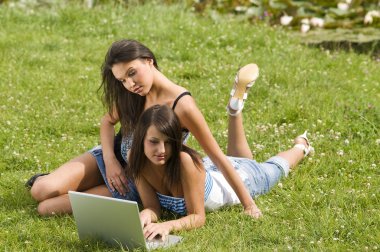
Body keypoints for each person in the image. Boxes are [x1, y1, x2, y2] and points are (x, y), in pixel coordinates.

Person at [27, 39, 262, 218]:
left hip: (134, 180)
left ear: (148, 60)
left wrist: (249, 205)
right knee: (41, 189)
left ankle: (235, 113)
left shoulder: (182, 105)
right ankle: (63, 179)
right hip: (110, 157)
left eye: (132, 74)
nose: (129, 85)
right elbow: (107, 122)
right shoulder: (132, 94)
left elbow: (218, 157)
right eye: (122, 80)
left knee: (47, 208)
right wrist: (109, 161)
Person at [128, 100, 314, 240]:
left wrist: (168, 226)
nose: (161, 150)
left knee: (274, 168)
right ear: (141, 138)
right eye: (154, 142)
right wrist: (146, 214)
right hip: (210, 169)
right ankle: (235, 111)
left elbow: (198, 217)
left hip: (244, 179)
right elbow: (153, 207)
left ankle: (301, 145)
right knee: (240, 158)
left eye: (168, 143)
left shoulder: (184, 161)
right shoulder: (136, 160)